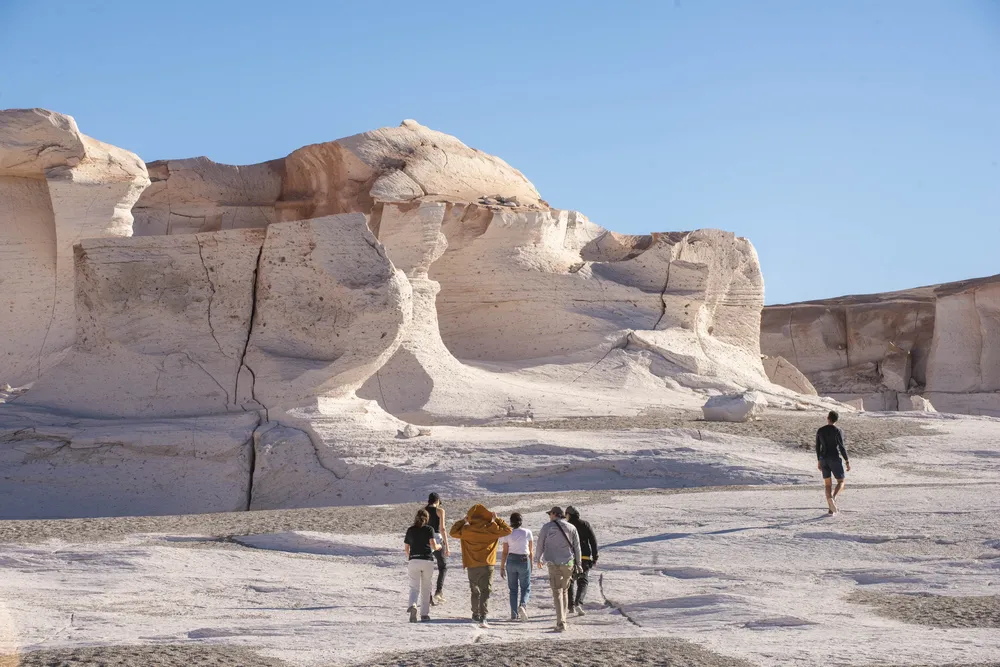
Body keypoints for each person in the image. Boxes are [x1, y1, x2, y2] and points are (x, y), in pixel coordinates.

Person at [449, 504, 512, 628]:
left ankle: (475, 614)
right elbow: (508, 530)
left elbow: (452, 532)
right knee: (485, 591)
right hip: (487, 564)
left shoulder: (466, 530)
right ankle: (483, 616)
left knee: (475, 590)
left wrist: (463, 521)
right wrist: (497, 519)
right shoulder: (492, 528)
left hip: (472, 565)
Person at [535, 506, 581, 632]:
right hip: (568, 563)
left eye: (550, 514)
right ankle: (563, 619)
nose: (549, 516)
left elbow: (540, 544)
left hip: (553, 562)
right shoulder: (571, 527)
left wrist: (538, 559)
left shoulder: (547, 527)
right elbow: (577, 547)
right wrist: (579, 563)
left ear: (555, 514)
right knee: (565, 591)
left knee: (557, 592)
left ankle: (561, 622)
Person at [404, 509, 440, 623]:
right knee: (426, 588)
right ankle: (424, 614)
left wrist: (411, 558)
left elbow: (406, 548)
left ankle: (413, 605)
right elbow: (433, 545)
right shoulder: (429, 529)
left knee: (414, 587)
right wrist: (439, 546)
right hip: (427, 560)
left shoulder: (410, 530)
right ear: (427, 518)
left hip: (414, 560)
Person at [499, 512, 533, 621]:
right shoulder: (527, 532)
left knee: (513, 589)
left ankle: (513, 614)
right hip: (524, 560)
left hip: (511, 560)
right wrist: (531, 564)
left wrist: (502, 567)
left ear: (511, 522)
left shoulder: (507, 533)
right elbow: (531, 551)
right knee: (525, 587)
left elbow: (504, 552)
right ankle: (522, 605)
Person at [816, 410, 851, 514]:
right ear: (836, 419)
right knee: (841, 481)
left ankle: (831, 509)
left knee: (827, 485)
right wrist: (847, 461)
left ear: (828, 418)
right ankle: (834, 498)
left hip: (823, 459)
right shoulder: (838, 431)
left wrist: (819, 460)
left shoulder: (820, 430)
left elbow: (817, 447)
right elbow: (841, 447)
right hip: (834, 458)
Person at [565, 506, 598, 616]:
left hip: (570, 557)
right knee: (583, 581)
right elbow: (593, 540)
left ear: (569, 514)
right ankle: (578, 602)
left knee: (570, 581)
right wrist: (595, 556)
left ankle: (571, 606)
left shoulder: (567, 526)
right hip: (584, 557)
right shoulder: (585, 524)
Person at [425, 492, 450, 604]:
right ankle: (438, 591)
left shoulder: (423, 511)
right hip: (437, 539)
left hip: (425, 540)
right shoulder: (440, 511)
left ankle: (428, 595)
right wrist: (447, 545)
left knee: (427, 569)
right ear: (437, 501)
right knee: (442, 567)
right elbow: (443, 528)